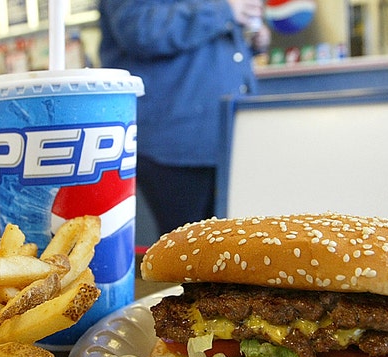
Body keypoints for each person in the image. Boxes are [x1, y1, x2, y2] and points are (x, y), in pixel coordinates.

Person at [98, 0, 270, 235]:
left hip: (224, 140)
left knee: (226, 249)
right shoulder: (220, 7)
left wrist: (252, 39)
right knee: (186, 253)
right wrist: (225, 11)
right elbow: (140, 30)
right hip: (174, 144)